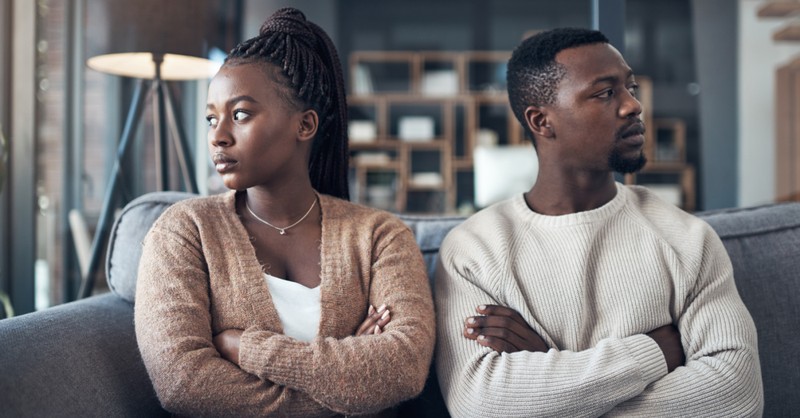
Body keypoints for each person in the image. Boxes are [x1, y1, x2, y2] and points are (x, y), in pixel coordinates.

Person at [434, 27, 763, 417]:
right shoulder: (474, 249)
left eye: (631, 87)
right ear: (541, 121)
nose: (632, 106)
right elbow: (482, 404)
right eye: (605, 93)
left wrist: (552, 375)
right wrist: (653, 352)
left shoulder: (688, 239)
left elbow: (736, 397)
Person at [134, 8, 435, 417]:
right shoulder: (185, 231)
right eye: (211, 118)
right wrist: (351, 385)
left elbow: (403, 368)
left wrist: (245, 348)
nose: (218, 136)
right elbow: (185, 384)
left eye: (240, 114)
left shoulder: (380, 235)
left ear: (305, 125)